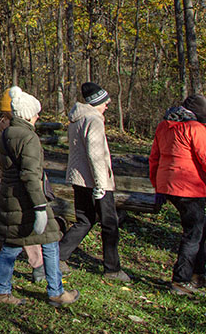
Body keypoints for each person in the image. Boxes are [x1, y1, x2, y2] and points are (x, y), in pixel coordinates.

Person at [149, 94, 206, 295]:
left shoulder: (164, 126)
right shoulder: (195, 129)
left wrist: (158, 187)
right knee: (193, 233)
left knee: (201, 228)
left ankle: (198, 274)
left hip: (170, 185)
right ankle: (181, 280)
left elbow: (154, 159)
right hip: (187, 187)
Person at [0, 86, 79, 306]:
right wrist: (40, 206)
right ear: (27, 114)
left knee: (11, 244)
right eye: (36, 112)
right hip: (29, 199)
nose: (38, 116)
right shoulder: (28, 138)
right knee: (50, 241)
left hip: (10, 196)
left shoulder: (6, 133)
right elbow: (31, 175)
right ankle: (56, 291)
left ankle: (2, 291)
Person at [58, 82, 129, 281]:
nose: (108, 104)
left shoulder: (77, 120)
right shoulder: (94, 121)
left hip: (79, 178)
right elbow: (95, 155)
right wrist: (100, 184)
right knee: (109, 224)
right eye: (105, 101)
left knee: (85, 220)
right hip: (96, 181)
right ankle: (112, 269)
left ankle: (59, 255)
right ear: (97, 102)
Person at [0, 88, 44, 284]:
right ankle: (38, 265)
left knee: (9, 226)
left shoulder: (0, 124)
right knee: (22, 223)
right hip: (9, 180)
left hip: (2, 178)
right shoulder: (7, 127)